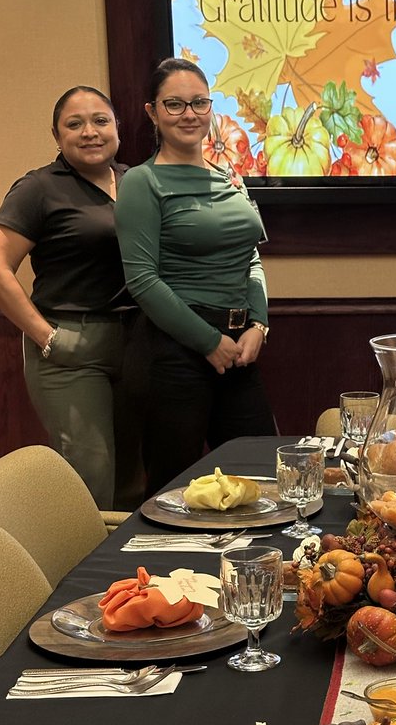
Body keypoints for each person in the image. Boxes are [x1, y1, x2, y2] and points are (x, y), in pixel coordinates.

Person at [114, 57, 276, 495]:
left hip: (240, 348)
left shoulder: (230, 176)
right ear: (152, 112)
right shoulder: (141, 183)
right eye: (175, 104)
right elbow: (142, 280)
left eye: (199, 103)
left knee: (262, 478)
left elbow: (251, 260)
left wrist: (259, 324)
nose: (189, 114)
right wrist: (209, 342)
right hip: (173, 353)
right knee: (174, 492)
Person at [0, 86, 139, 509]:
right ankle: (83, 576)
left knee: (134, 481)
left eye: (100, 121)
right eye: (75, 124)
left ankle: (131, 577)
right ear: (56, 136)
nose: (90, 132)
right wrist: (47, 337)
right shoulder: (39, 188)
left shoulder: (136, 180)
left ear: (117, 129)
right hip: (71, 346)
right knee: (92, 480)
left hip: (138, 345)